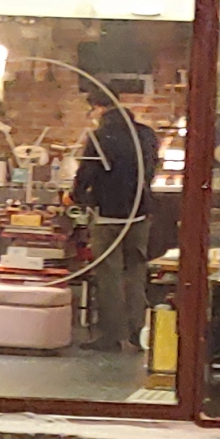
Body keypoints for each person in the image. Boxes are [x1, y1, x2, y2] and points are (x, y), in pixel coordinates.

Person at [70, 91, 156, 355]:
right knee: (136, 272)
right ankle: (138, 332)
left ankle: (111, 336)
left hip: (108, 213)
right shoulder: (146, 134)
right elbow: (151, 170)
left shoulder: (100, 137)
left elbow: (86, 172)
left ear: (98, 108)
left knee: (109, 275)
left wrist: (76, 196)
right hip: (139, 213)